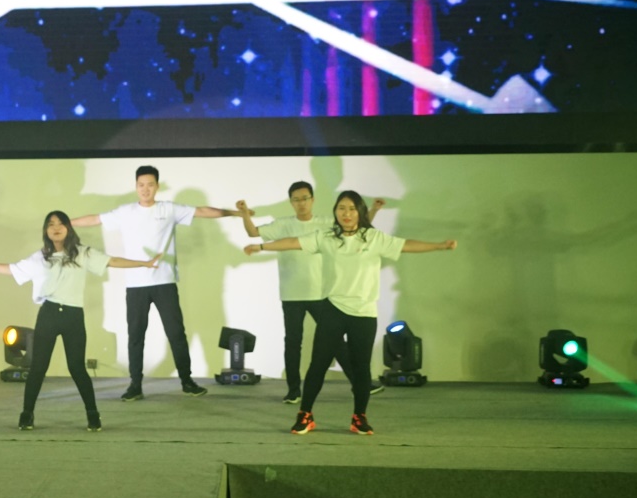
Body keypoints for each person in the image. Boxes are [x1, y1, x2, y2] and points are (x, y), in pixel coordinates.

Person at [248, 190, 456, 435]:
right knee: (318, 365)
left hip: (364, 313)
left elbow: (406, 245)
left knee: (361, 368)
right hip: (332, 309)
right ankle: (305, 414)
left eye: (351, 209)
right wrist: (261, 246)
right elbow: (293, 242)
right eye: (341, 208)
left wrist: (440, 246)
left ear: (360, 212)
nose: (346, 214)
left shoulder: (373, 238)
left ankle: (359, 416)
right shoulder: (326, 236)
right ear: (335, 211)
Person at [0, 211, 159, 431]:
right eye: (51, 224)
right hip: (48, 314)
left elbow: (111, 261)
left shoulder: (83, 253)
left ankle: (93, 415)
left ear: (68, 227)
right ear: (46, 231)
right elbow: (11, 269)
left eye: (60, 223)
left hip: (73, 316)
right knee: (38, 367)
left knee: (77, 368)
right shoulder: (40, 258)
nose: (56, 228)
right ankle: (27, 414)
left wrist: (143, 263)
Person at [71, 165, 246, 401]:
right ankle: (135, 385)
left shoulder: (169, 209)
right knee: (136, 337)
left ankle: (187, 381)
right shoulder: (125, 212)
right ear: (136, 187)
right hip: (136, 285)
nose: (145, 189)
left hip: (165, 283)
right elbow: (95, 219)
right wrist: (65, 223)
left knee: (176, 334)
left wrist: (235, 213)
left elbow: (202, 211)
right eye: (141, 185)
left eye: (150, 185)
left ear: (157, 186)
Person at [237, 182, 385, 404]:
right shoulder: (284, 224)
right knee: (292, 342)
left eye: (305, 198)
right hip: (292, 293)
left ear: (312, 200)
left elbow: (355, 227)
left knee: (336, 343)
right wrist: (243, 214)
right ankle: (293, 390)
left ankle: (359, 383)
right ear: (291, 202)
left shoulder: (326, 223)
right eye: (296, 199)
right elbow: (253, 232)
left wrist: (373, 210)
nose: (301, 203)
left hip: (321, 293)